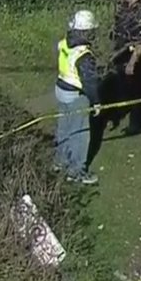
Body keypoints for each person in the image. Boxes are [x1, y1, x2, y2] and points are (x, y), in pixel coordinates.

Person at [55, 10, 101, 184]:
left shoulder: (64, 43)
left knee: (64, 128)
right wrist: (96, 101)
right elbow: (89, 82)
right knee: (80, 134)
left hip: (60, 90)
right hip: (76, 96)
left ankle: (60, 161)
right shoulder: (84, 55)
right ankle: (76, 172)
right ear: (87, 31)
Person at [108, 0, 141, 134]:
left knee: (136, 91)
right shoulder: (125, 6)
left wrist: (132, 63)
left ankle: (136, 123)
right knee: (120, 87)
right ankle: (117, 114)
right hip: (121, 54)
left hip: (133, 57)